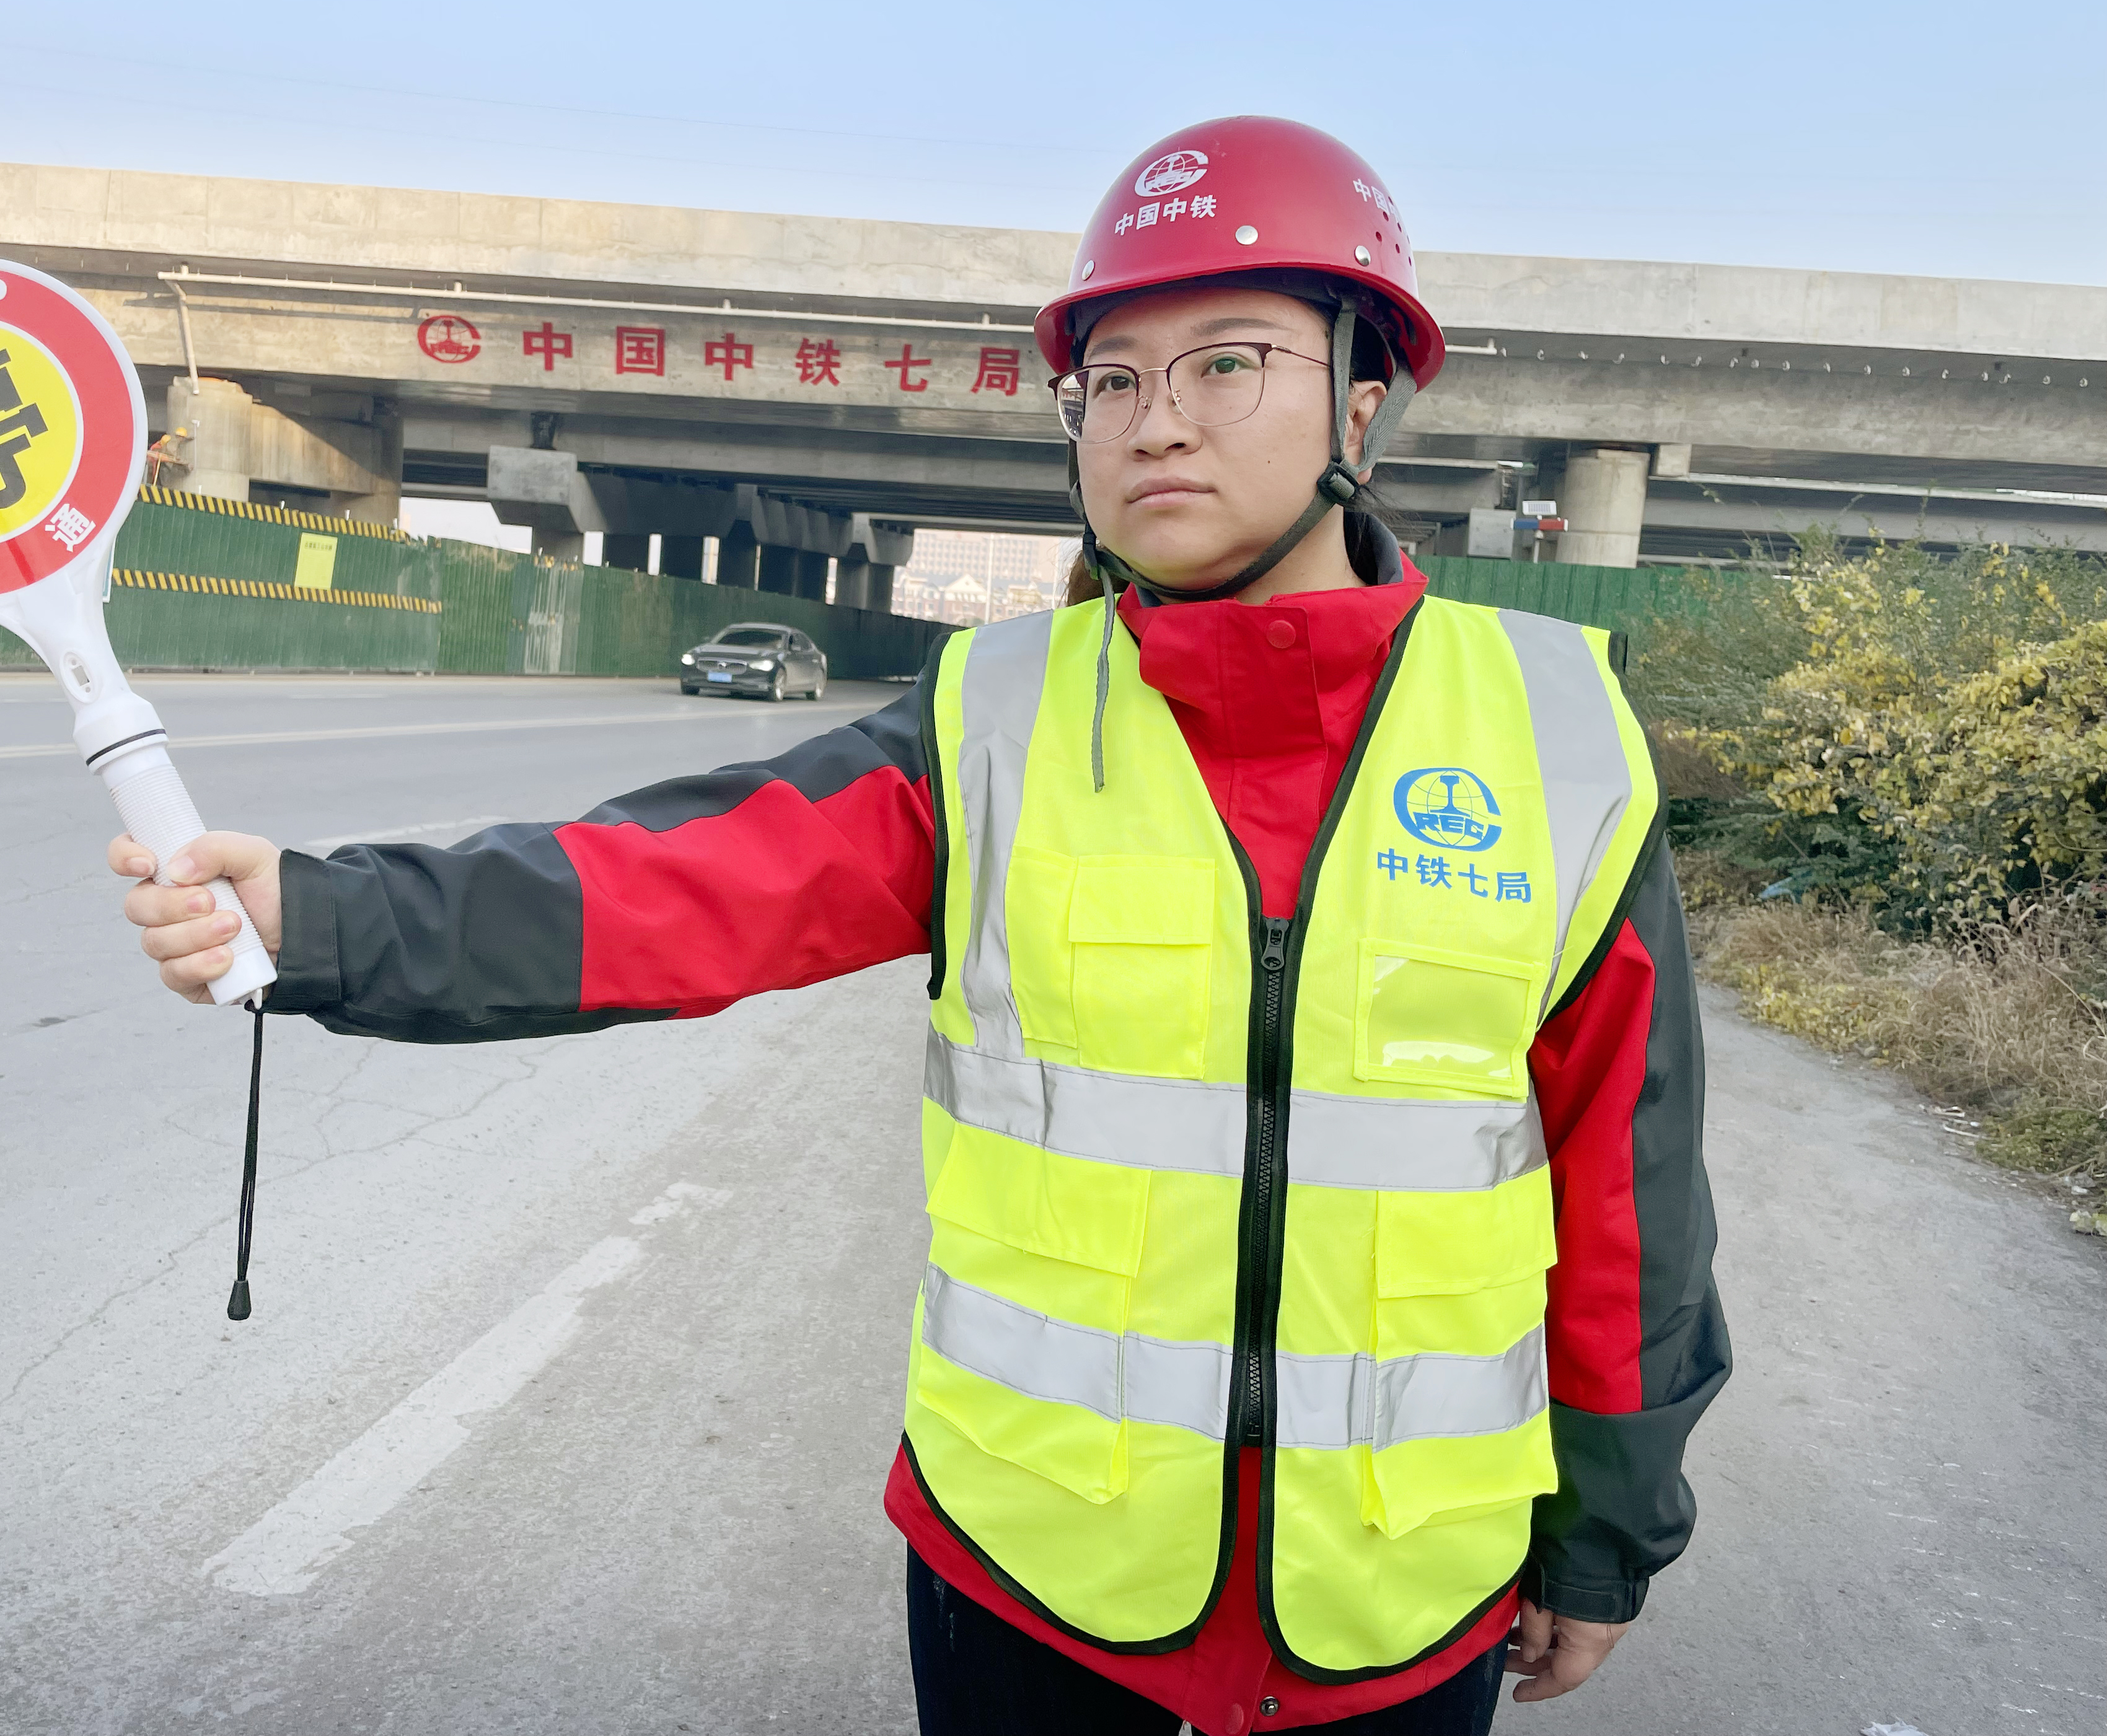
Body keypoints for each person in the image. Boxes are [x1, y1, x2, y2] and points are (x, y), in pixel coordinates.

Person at [110, 117, 1729, 1735]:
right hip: (1033, 1585)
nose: (1156, 425)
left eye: (1226, 364)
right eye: (1112, 380)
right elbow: (683, 886)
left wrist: (1605, 1537)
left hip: (1399, 1607)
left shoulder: (1554, 739)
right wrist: (321, 917)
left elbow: (1628, 1190)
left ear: (1363, 396)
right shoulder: (989, 725)